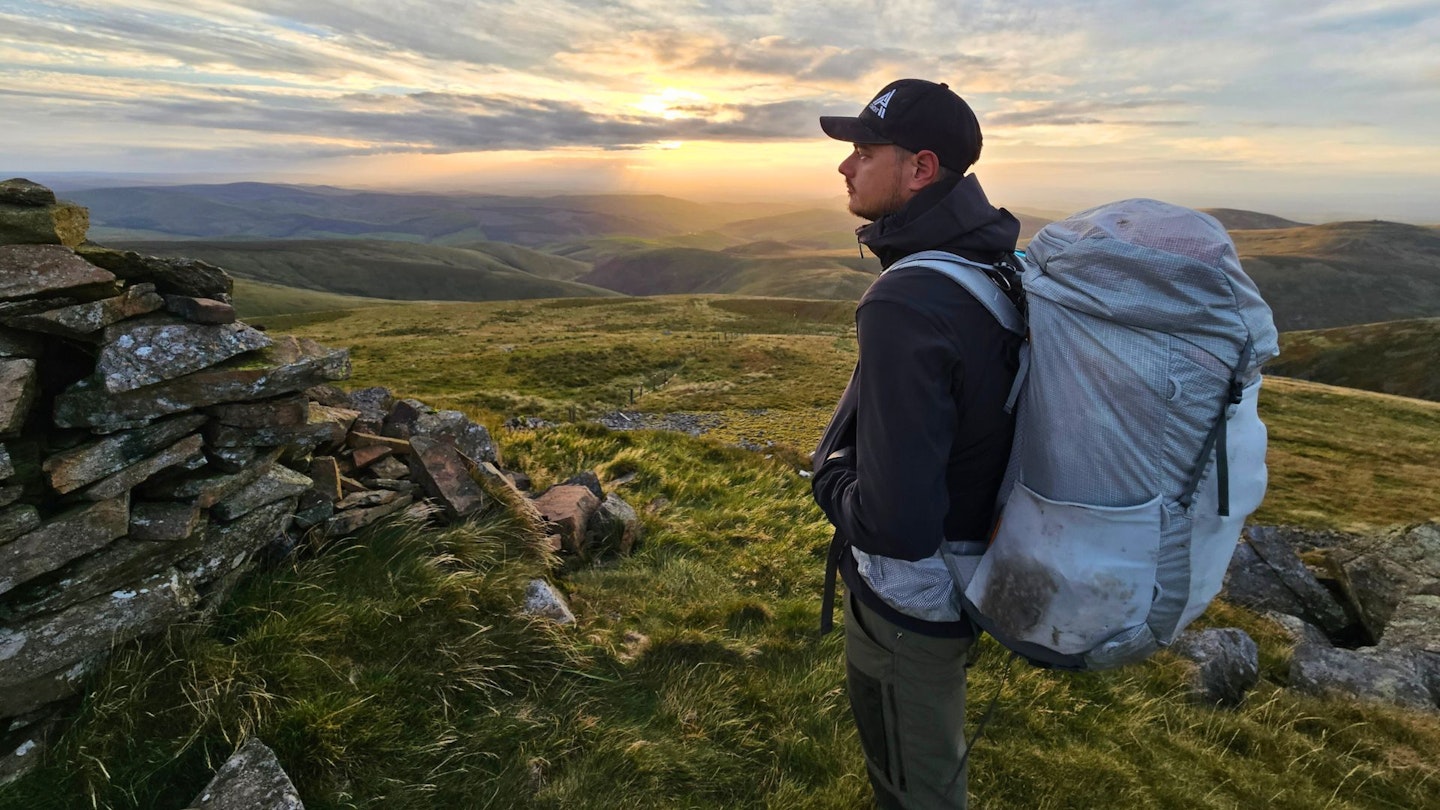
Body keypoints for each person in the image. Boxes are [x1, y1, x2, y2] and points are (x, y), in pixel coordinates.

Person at [810, 78, 1023, 809]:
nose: (845, 167)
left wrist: (827, 478)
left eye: (863, 152)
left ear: (920, 168)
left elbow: (896, 526)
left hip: (911, 603)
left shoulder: (907, 299)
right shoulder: (991, 263)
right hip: (972, 571)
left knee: (914, 784)